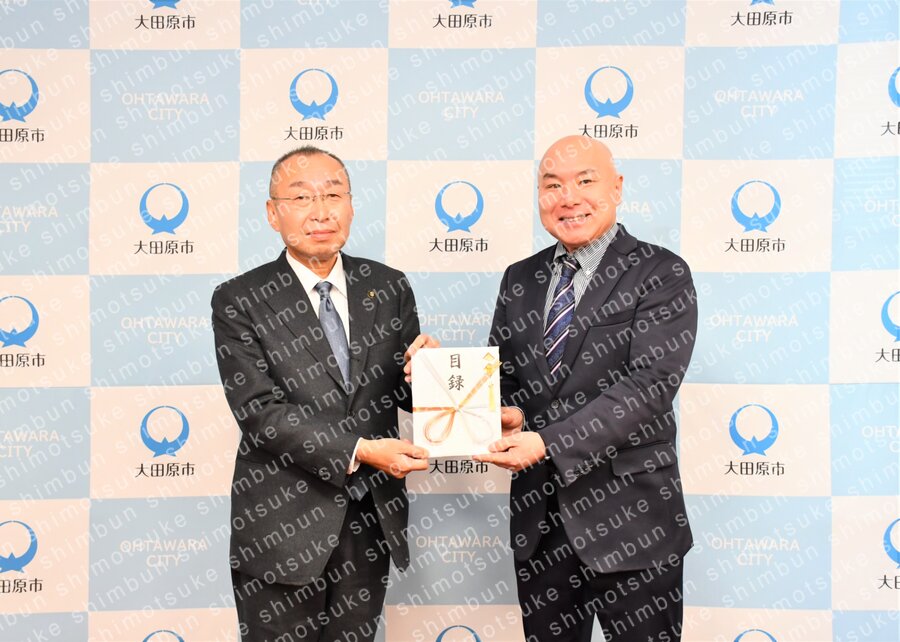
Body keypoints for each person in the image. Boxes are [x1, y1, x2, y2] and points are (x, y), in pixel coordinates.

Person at [476, 136, 697, 642]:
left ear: (616, 188)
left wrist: (545, 442)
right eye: (552, 185)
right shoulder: (520, 278)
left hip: (634, 520)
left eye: (585, 181)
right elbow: (507, 378)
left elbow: (649, 386)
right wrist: (499, 408)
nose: (568, 197)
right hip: (541, 525)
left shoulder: (660, 273)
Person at [211, 146, 436, 642]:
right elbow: (259, 412)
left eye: (333, 195)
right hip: (281, 526)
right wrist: (361, 450)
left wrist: (427, 376)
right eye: (301, 197)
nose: (320, 211)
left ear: (351, 206)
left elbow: (404, 397)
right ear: (273, 213)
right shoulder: (239, 299)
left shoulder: (388, 285)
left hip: (369, 519)